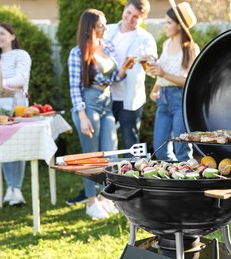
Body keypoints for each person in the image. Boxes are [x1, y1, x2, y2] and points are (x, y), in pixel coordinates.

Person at [68, 9, 134, 219]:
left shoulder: (108, 46)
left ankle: (106, 198)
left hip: (106, 101)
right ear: (90, 29)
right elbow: (74, 87)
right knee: (90, 157)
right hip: (88, 103)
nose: (106, 28)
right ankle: (91, 201)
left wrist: (123, 70)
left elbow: (112, 78)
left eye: (105, 24)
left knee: (110, 153)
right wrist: (82, 115)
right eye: (101, 26)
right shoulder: (77, 53)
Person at [0, 23, 32, 206]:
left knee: (17, 147)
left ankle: (16, 189)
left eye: (2, 33)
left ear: (12, 36)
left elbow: (21, 79)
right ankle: (10, 188)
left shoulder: (21, 55)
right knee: (3, 145)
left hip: (17, 106)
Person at [149, 1, 200, 161]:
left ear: (179, 25)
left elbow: (189, 81)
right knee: (160, 150)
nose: (165, 26)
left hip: (180, 101)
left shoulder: (192, 48)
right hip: (163, 101)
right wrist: (155, 88)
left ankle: (187, 182)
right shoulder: (166, 44)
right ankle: (174, 177)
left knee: (182, 149)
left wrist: (163, 73)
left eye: (169, 23)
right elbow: (162, 71)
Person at [105, 0, 157, 153]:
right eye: (128, 13)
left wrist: (148, 63)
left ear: (143, 18)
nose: (130, 18)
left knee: (131, 143)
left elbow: (152, 71)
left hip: (130, 98)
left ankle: (133, 174)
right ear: (125, 8)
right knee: (107, 142)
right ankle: (107, 175)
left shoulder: (146, 39)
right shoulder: (108, 30)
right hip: (107, 94)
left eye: (136, 17)